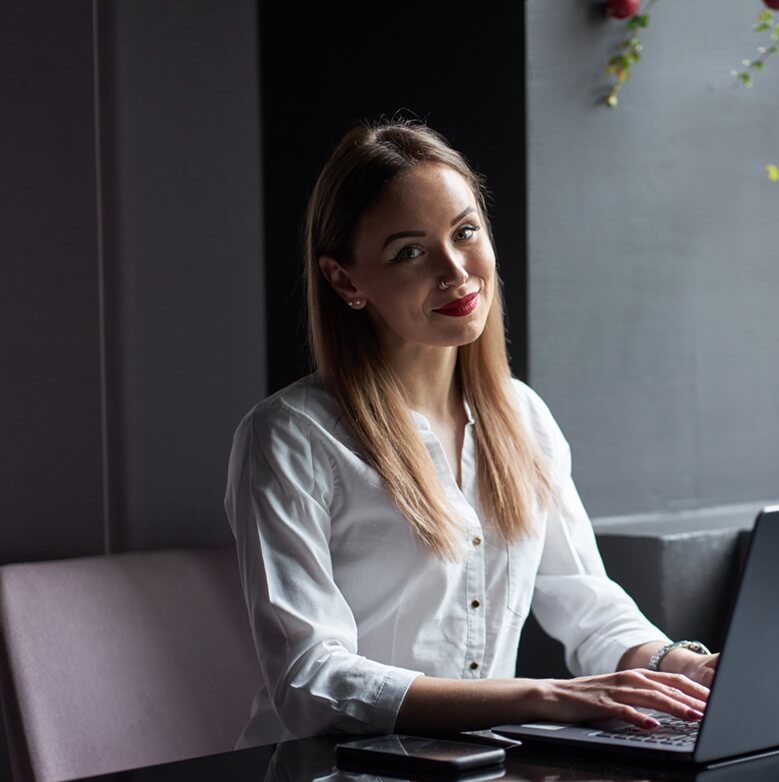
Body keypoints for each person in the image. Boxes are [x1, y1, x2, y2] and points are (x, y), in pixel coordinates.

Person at [225, 119, 718, 748]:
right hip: (321, 780)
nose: (455, 270)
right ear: (345, 280)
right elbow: (310, 681)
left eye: (465, 232)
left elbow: (588, 603)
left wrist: (677, 667)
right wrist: (542, 698)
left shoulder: (524, 417)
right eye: (410, 251)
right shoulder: (289, 438)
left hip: (480, 779)